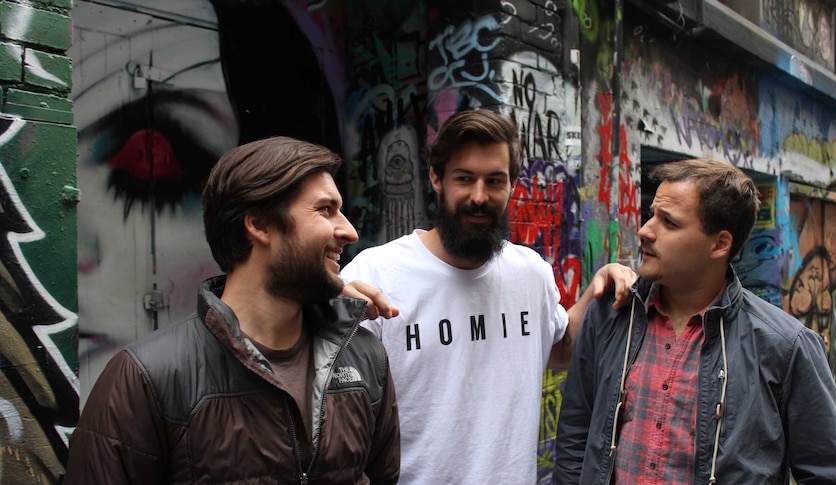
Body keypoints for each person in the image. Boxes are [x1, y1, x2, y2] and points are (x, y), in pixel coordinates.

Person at [65, 137, 400, 484]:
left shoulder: (364, 356)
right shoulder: (146, 377)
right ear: (259, 225)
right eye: (325, 210)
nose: (349, 231)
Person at [340, 109, 637, 483]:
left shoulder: (530, 273)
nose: (479, 197)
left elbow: (559, 348)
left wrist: (600, 287)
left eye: (494, 181)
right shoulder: (374, 273)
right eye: (464, 179)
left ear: (513, 184)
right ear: (436, 178)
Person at [552, 159, 836, 484]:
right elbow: (575, 435)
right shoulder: (610, 314)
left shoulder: (785, 346)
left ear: (720, 244)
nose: (644, 230)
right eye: (652, 214)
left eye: (668, 222)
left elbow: (829, 475)